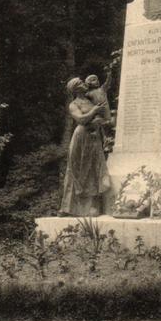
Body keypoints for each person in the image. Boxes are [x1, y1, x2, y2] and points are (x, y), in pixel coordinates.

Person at [59, 77, 110, 217]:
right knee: (75, 169)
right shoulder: (73, 104)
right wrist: (94, 111)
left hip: (94, 136)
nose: (84, 84)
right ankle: (68, 207)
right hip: (81, 137)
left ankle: (93, 206)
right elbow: (81, 119)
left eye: (82, 81)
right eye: (80, 83)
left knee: (93, 168)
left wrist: (101, 121)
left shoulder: (91, 99)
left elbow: (104, 114)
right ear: (75, 89)